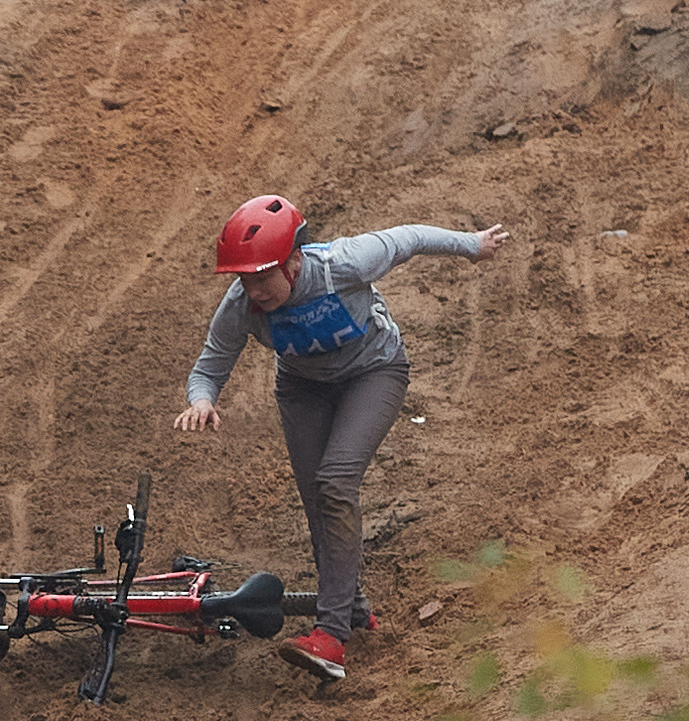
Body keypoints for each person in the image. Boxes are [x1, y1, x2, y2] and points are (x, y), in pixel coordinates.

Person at [174, 194, 509, 683]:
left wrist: (472, 245)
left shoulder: (343, 265)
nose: (253, 291)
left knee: (335, 482)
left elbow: (409, 238)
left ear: (293, 263)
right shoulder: (242, 305)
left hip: (374, 373)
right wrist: (201, 400)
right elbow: (211, 363)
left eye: (262, 276)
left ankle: (330, 636)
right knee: (318, 500)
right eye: (243, 279)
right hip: (303, 388)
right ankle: (352, 609)